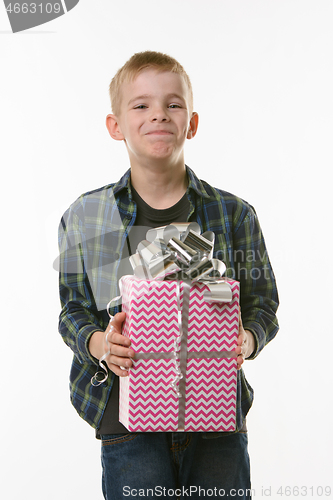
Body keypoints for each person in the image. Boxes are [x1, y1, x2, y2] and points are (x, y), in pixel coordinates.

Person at [58, 51, 279, 500]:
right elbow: (72, 312)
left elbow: (264, 304)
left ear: (192, 123)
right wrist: (103, 345)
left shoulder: (233, 214)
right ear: (115, 125)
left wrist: (245, 339)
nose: (158, 113)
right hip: (127, 420)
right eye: (140, 105)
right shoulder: (89, 215)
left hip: (215, 417)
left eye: (173, 104)